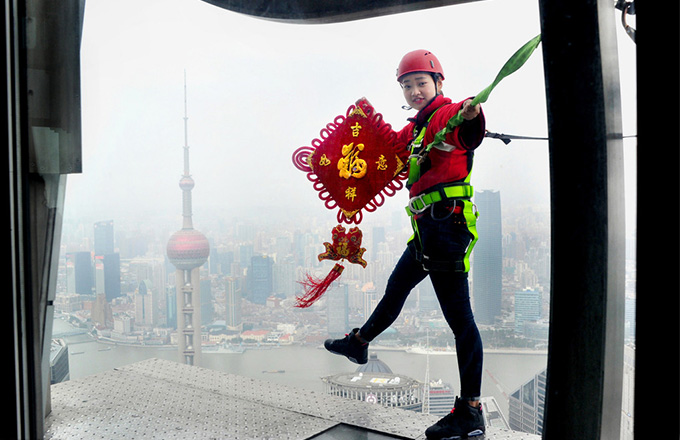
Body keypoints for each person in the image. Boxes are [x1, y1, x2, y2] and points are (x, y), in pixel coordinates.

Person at [324, 49, 486, 439]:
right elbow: (384, 154)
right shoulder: (415, 130)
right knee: (395, 288)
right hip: (429, 229)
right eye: (407, 85)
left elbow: (464, 121)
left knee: (461, 322)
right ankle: (359, 343)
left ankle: (470, 411)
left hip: (447, 228)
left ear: (438, 83)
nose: (414, 91)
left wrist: (471, 112)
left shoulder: (444, 115)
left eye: (421, 83)